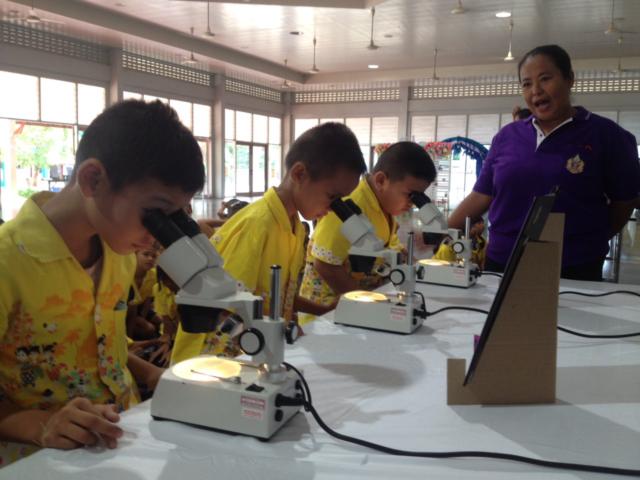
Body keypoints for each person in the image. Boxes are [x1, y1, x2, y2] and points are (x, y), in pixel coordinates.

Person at [0, 99, 205, 465]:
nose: (159, 235)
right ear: (93, 179)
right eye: (156, 215)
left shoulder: (119, 253)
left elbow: (101, 346)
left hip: (125, 441)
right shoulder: (8, 262)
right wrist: (41, 425)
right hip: (42, 461)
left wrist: (153, 373)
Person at [170, 122, 367, 364]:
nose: (333, 208)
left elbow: (278, 296)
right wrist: (266, 341)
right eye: (332, 197)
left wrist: (321, 311)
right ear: (299, 174)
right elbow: (220, 308)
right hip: (210, 359)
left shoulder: (294, 226)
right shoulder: (257, 225)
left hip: (251, 353)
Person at [449, 45, 640, 281]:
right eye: (526, 83)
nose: (536, 91)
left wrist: (592, 240)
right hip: (503, 261)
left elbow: (624, 201)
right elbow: (481, 195)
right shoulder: (507, 136)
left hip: (574, 267)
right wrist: (438, 232)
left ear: (569, 79)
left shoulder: (606, 135)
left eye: (545, 79)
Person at [299, 141, 436, 313]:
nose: (413, 203)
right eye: (410, 195)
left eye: (418, 197)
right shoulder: (351, 205)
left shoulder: (384, 207)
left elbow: (386, 246)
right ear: (381, 180)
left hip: (361, 302)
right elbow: (324, 265)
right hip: (327, 312)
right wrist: (365, 303)